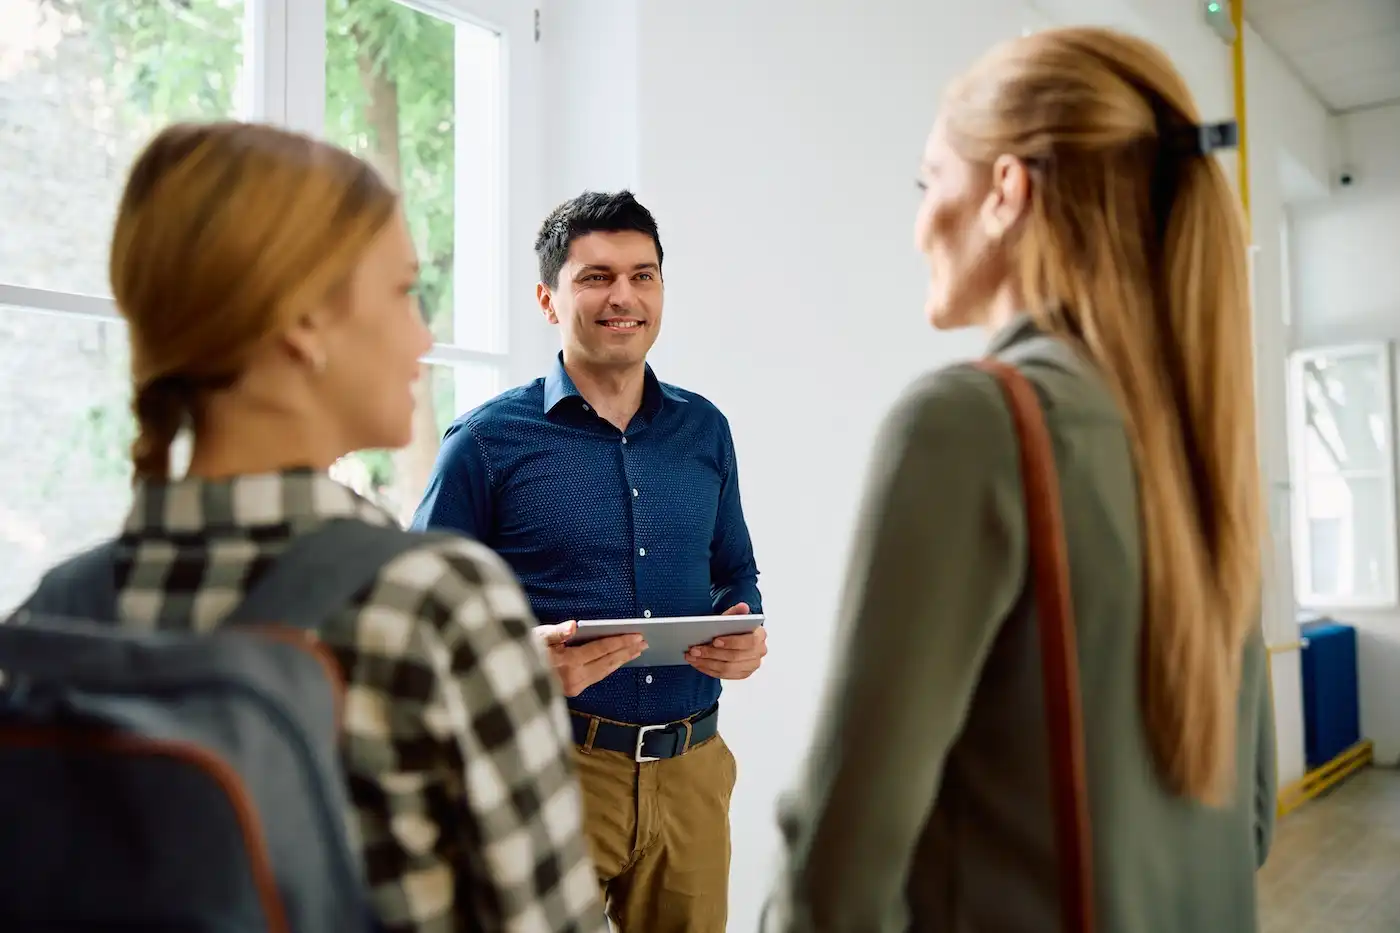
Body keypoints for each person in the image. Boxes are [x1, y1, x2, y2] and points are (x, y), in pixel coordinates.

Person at [761, 27, 1275, 933]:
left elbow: (834, 879)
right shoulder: (1197, 442)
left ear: (1005, 191)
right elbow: (1253, 821)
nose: (919, 221)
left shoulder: (970, 425)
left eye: (929, 183)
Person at [53, 121, 607, 933]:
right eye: (402, 291)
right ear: (304, 321)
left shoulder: (52, 614)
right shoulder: (433, 603)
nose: (423, 335)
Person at [411, 190, 765, 933]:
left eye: (643, 275)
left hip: (693, 772)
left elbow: (736, 571)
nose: (623, 297)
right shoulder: (484, 442)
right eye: (596, 277)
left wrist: (744, 631)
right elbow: (419, 624)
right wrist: (517, 659)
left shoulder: (706, 430)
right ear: (548, 298)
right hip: (550, 769)